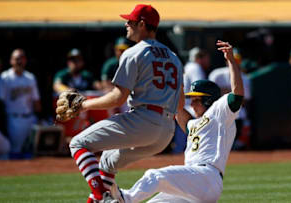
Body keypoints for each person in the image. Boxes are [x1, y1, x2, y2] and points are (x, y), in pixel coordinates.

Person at [67, 4, 184, 202]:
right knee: (107, 162)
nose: (126, 23)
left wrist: (84, 105)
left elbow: (117, 98)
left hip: (143, 119)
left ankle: (102, 197)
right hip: (166, 132)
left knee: (78, 143)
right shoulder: (174, 58)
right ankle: (101, 197)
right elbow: (180, 104)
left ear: (141, 24)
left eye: (130, 21)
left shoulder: (133, 53)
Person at [110, 40, 244, 203]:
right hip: (192, 183)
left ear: (208, 100)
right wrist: (176, 85)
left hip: (206, 177)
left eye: (196, 99)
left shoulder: (219, 112)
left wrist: (230, 60)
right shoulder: (194, 124)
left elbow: (237, 94)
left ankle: (125, 198)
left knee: (155, 176)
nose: (192, 103)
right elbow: (179, 110)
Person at [0, 49, 41, 159]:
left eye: (22, 58)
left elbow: (36, 101)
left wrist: (39, 118)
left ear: (25, 60)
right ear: (11, 61)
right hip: (14, 119)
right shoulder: (4, 78)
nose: (19, 61)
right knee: (16, 152)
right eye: (16, 59)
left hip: (31, 118)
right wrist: (2, 123)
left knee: (32, 152)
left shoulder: (30, 77)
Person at [208, 47, 251, 149]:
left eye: (236, 60)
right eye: (231, 59)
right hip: (217, 110)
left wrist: (228, 94)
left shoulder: (244, 77)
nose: (234, 62)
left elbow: (246, 99)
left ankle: (238, 144)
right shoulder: (217, 74)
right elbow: (209, 95)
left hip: (236, 111)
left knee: (242, 114)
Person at [183, 47, 211, 116]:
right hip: (191, 109)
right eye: (206, 58)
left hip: (183, 109)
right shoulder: (196, 68)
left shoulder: (187, 66)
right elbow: (199, 90)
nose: (208, 60)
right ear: (199, 59)